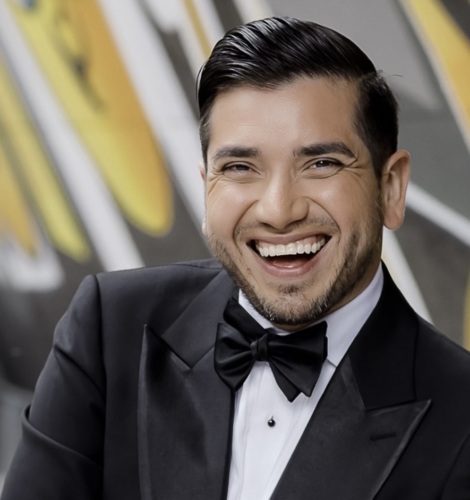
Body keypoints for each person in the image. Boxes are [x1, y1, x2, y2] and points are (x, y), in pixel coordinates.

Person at [2, 16, 470, 500]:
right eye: (240, 167)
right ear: (207, 186)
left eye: (321, 163)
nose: (278, 210)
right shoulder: (109, 330)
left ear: (390, 188)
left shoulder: (462, 417)